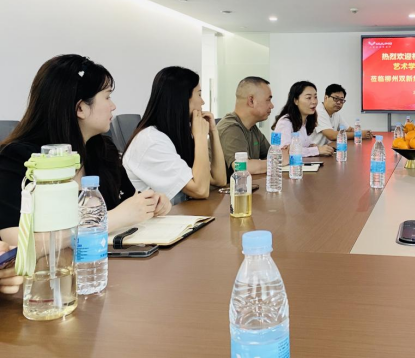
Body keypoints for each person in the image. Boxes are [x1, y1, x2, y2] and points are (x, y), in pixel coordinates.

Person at [0, 55, 171, 247]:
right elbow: (14, 239)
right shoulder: (18, 158)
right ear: (80, 108)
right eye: (107, 97)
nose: (113, 106)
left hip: (112, 259)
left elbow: (129, 203)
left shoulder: (103, 150)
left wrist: (152, 203)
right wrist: (109, 220)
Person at [123, 67, 227, 203]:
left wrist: (213, 131)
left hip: (180, 213)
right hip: (157, 217)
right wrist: (200, 137)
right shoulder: (152, 141)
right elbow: (200, 190)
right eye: (199, 94)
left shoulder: (172, 136)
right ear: (182, 99)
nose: (202, 102)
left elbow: (219, 180)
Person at [217, 77, 274, 175]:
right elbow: (244, 167)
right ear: (251, 101)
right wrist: (277, 161)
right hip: (225, 185)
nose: (272, 106)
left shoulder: (252, 127)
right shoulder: (231, 128)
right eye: (268, 100)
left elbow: (270, 155)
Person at [272, 81, 334, 157]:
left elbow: (301, 146)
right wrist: (317, 150)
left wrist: (312, 146)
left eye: (315, 97)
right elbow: (285, 151)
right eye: (308, 98)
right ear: (296, 101)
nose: (314, 102)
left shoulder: (304, 121)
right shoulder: (285, 122)